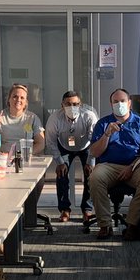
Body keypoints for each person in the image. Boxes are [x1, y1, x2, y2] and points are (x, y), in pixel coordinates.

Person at [88, 87, 140, 240]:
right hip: (108, 166)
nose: (119, 104)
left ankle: (132, 225)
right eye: (115, 102)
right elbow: (95, 152)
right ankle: (105, 225)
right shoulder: (103, 123)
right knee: (95, 178)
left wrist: (131, 167)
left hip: (134, 166)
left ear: (129, 103)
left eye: (122, 101)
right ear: (111, 104)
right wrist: (107, 134)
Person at [45, 90, 98, 222]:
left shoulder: (89, 116)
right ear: (62, 105)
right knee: (61, 174)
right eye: (68, 104)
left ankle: (87, 209)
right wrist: (59, 162)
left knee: (91, 175)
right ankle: (65, 209)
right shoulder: (54, 118)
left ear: (81, 104)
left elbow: (95, 140)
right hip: (64, 146)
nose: (72, 107)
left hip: (86, 146)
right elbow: (51, 141)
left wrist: (91, 161)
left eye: (75, 104)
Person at [0, 83, 45, 155]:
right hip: (4, 158)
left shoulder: (32, 118)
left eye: (22, 98)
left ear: (26, 102)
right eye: (15, 96)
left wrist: (27, 154)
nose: (18, 100)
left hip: (26, 158)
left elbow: (41, 143)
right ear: (9, 99)